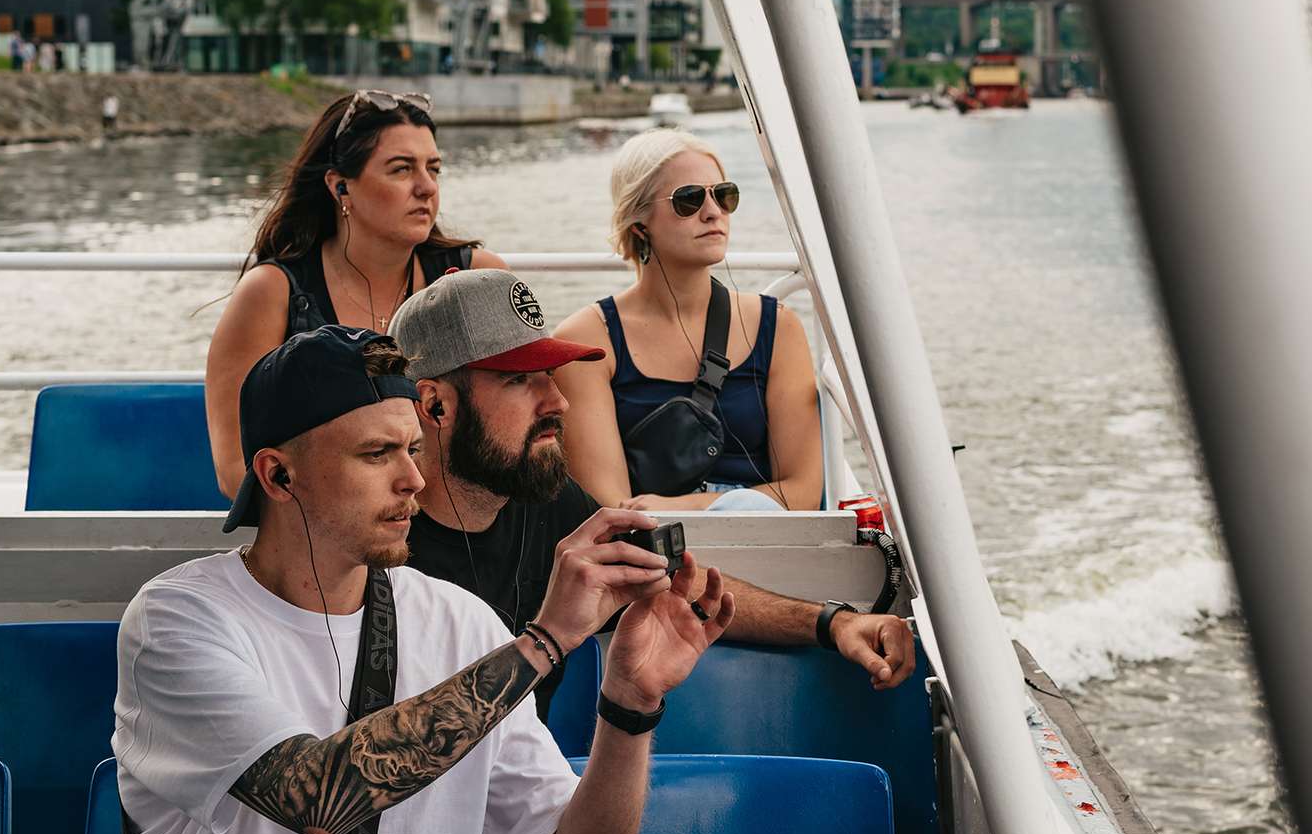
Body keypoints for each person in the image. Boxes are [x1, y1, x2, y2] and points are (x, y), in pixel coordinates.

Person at [114, 324, 732, 834]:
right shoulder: (177, 619)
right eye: (377, 454)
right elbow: (317, 800)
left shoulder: (461, 622)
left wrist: (628, 704)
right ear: (278, 476)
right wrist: (543, 641)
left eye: (413, 448)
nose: (414, 478)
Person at [393, 269, 916, 698]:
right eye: (517, 380)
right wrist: (547, 640)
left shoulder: (542, 501)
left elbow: (680, 584)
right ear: (436, 404)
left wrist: (835, 624)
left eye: (549, 375)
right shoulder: (379, 555)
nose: (557, 402)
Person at [206, 90, 504, 497]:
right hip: (333, 534)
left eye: (433, 169)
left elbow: (525, 418)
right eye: (401, 170)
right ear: (340, 186)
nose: (426, 188)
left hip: (458, 521)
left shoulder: (476, 278)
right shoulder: (273, 293)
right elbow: (234, 469)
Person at [552, 129, 822, 512]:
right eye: (689, 199)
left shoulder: (777, 327)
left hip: (764, 540)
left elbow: (803, 492)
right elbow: (611, 510)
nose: (713, 212)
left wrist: (686, 507)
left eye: (724, 195)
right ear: (639, 223)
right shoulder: (588, 341)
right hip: (650, 554)